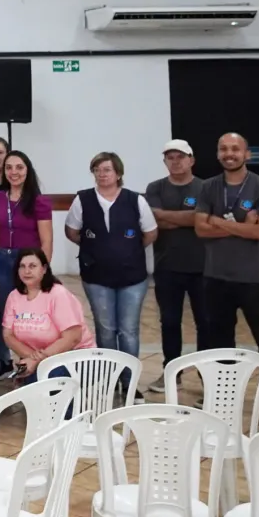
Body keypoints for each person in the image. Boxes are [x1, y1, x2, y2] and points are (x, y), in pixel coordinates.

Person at [196, 132, 259, 424]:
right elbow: (200, 230)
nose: (229, 153)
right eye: (223, 148)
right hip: (216, 276)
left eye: (235, 148)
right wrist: (240, 225)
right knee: (220, 341)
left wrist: (218, 221)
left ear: (246, 154)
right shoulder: (209, 187)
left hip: (254, 278)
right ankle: (224, 395)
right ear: (218, 153)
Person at [64, 151, 157, 388]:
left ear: (118, 173)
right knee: (105, 330)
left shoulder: (135, 199)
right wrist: (97, 249)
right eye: (97, 169)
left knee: (128, 331)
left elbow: (150, 232)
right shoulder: (82, 199)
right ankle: (109, 380)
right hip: (96, 277)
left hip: (132, 277)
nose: (102, 174)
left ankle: (129, 382)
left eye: (107, 169)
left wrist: (126, 250)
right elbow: (72, 232)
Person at [144, 139, 208, 395]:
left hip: (202, 267)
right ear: (165, 162)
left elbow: (202, 219)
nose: (175, 161)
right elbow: (153, 220)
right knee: (169, 321)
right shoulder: (155, 187)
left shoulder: (205, 187)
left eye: (180, 157)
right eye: (170, 157)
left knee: (206, 323)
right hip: (167, 267)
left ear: (191, 160)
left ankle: (207, 374)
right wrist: (189, 219)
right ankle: (172, 372)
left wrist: (167, 215)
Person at [0, 150, 52, 372]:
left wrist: (42, 271)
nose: (13, 172)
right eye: (9, 168)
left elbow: (46, 241)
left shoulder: (39, 202)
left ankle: (31, 359)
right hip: (3, 261)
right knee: (3, 314)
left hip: (28, 262)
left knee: (30, 312)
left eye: (19, 167)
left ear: (28, 171)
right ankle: (5, 361)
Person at [2, 249, 95, 382]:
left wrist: (39, 359)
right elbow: (8, 335)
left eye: (33, 266)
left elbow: (72, 338)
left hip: (76, 356)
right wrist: (34, 358)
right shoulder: (14, 296)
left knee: (44, 381)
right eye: (22, 266)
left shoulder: (58, 294)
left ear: (44, 269)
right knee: (33, 385)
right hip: (42, 359)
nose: (27, 271)